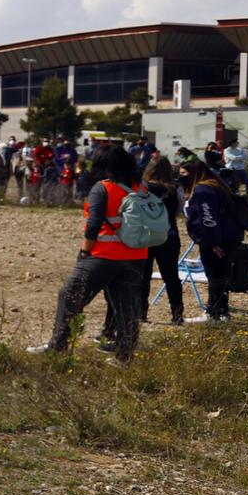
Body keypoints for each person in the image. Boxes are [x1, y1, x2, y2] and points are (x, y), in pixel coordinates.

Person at [34, 148, 149, 361]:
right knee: (127, 307)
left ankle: (59, 345)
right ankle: (124, 355)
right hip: (137, 256)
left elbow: (93, 224)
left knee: (69, 296)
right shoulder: (141, 188)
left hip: (104, 256)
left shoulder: (102, 188)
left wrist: (84, 251)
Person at [181, 161, 242, 321]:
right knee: (222, 275)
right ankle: (222, 312)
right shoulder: (217, 185)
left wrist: (213, 243)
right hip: (229, 236)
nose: (181, 178)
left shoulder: (203, 190)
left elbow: (208, 219)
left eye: (184, 174)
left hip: (217, 239)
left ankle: (212, 313)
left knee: (214, 276)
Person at [141, 157, 185, 325]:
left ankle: (141, 312)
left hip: (145, 236)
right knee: (171, 276)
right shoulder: (175, 189)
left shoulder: (142, 188)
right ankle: (177, 313)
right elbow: (179, 210)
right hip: (168, 235)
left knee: (144, 276)